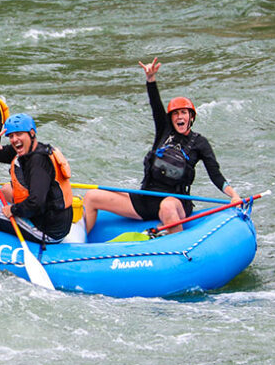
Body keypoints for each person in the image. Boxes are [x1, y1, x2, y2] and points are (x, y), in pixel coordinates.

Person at [83, 58, 241, 234]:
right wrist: (150, 79)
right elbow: (155, 104)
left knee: (167, 207)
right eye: (175, 114)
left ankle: (178, 248)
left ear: (191, 117)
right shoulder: (163, 130)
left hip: (175, 201)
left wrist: (233, 195)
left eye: (183, 113)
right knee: (91, 196)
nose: (179, 117)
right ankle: (76, 247)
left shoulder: (200, 143)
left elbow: (215, 174)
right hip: (146, 198)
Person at [0, 113, 74, 245]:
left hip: (47, 230)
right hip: (52, 218)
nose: (14, 139)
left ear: (31, 133)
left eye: (19, 134)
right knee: (7, 189)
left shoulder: (38, 162)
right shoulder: (28, 149)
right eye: (11, 136)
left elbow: (36, 203)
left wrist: (13, 210)